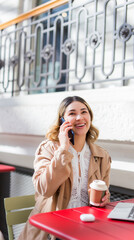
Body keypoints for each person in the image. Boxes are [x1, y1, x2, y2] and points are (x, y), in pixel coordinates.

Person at [18, 96, 111, 240]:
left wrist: (106, 197)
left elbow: (103, 193)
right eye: (72, 113)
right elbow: (44, 189)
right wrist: (63, 150)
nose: (79, 117)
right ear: (63, 120)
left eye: (84, 112)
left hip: (87, 228)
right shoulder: (48, 148)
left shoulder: (101, 155)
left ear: (90, 117)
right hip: (52, 231)